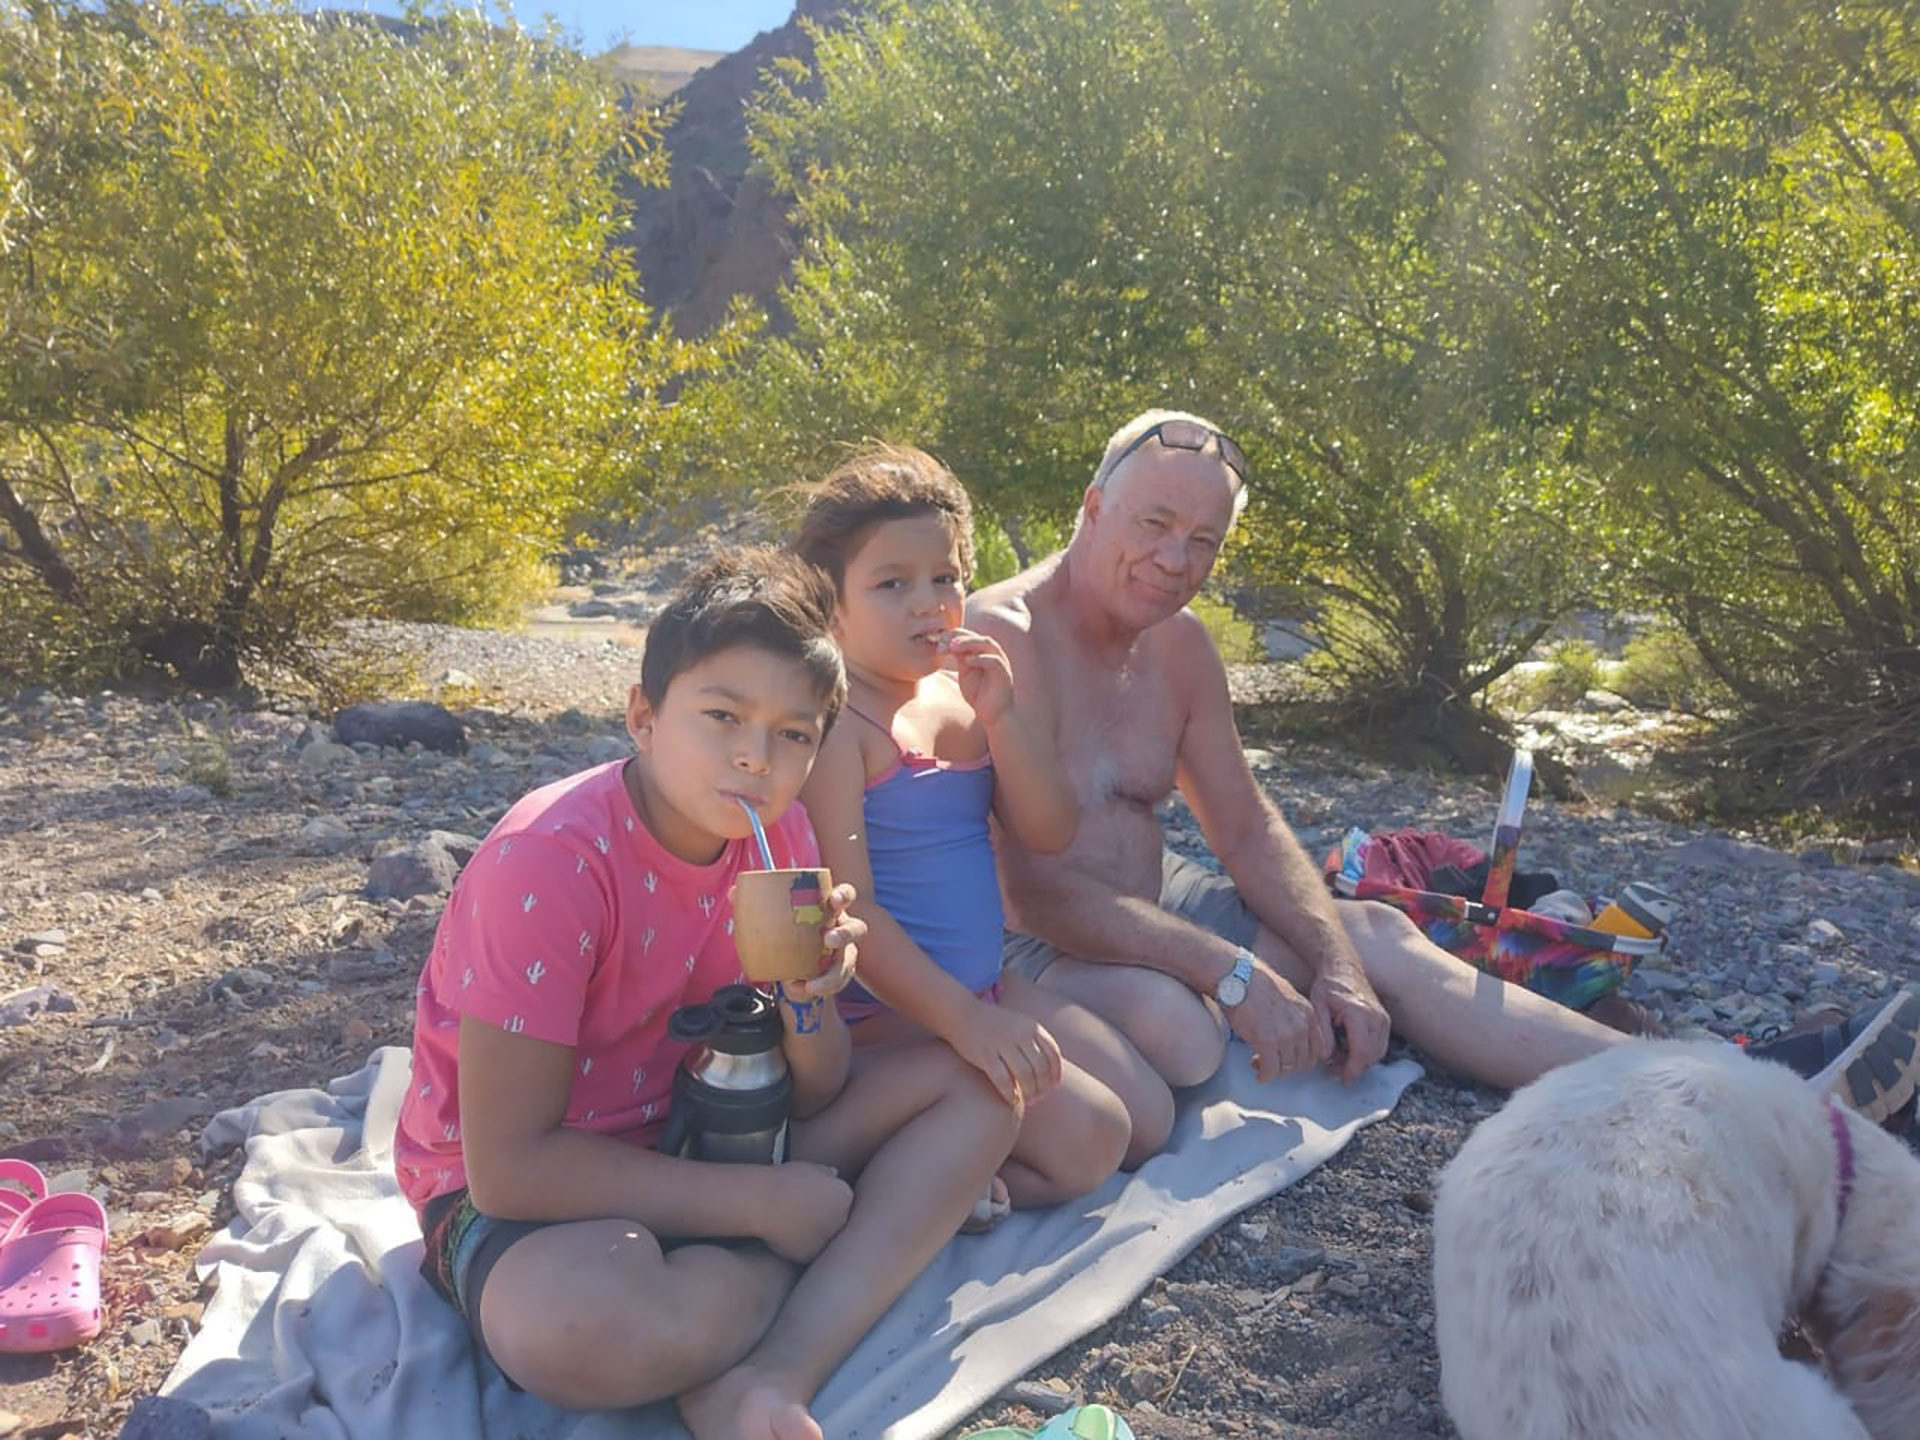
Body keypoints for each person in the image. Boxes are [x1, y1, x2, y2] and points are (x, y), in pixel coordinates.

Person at [967, 408, 1920, 1147]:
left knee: (1373, 930)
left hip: (1157, 901)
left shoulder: (1181, 650)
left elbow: (1246, 829)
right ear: (1092, 508)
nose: (1177, 560)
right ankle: (1724, 1094)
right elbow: (1030, 887)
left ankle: (1718, 1083)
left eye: (1205, 542)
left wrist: (1331, 962)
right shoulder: (1001, 641)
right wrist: (1230, 970)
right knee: (1184, 1023)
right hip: (1042, 942)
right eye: (1156, 523)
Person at [394, 548, 1020, 1440]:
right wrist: (761, 1209)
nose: (754, 759)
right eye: (722, 716)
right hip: (528, 1192)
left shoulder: (781, 834)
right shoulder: (552, 863)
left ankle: (772, 1375)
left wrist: (809, 1002)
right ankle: (842, 1241)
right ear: (643, 717)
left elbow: (817, 1088)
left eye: (793, 735)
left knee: (981, 1088)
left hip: (714, 1126)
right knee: (581, 1335)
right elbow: (510, 1168)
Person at [791, 447, 1154, 1216]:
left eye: (947, 578)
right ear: (833, 609)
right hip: (890, 1020)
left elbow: (1050, 832)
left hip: (982, 989)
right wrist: (966, 1023)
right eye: (893, 584)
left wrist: (1005, 719)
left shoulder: (964, 696)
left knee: (1147, 1120)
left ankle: (954, 1172)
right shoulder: (840, 730)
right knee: (1096, 1138)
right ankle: (925, 1180)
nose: (931, 602)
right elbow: (855, 914)